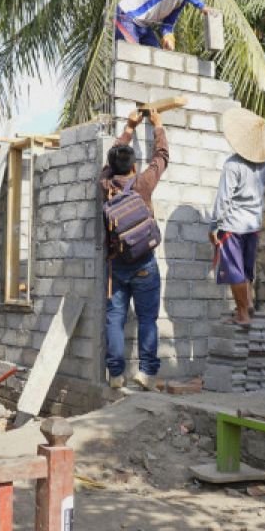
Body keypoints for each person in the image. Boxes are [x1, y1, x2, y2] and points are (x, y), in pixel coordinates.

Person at [100, 108, 169, 390]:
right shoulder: (142, 183)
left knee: (115, 319)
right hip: (144, 263)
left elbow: (111, 160)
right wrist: (158, 126)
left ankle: (116, 375)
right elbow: (161, 158)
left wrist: (128, 128)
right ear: (132, 167)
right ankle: (146, 373)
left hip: (117, 264)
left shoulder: (105, 184)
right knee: (147, 318)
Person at [210, 107, 265, 325]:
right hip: (253, 224)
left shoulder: (233, 164)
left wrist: (214, 225)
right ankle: (247, 306)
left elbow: (223, 198)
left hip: (234, 225)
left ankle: (242, 315)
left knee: (234, 270)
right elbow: (264, 185)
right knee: (246, 269)